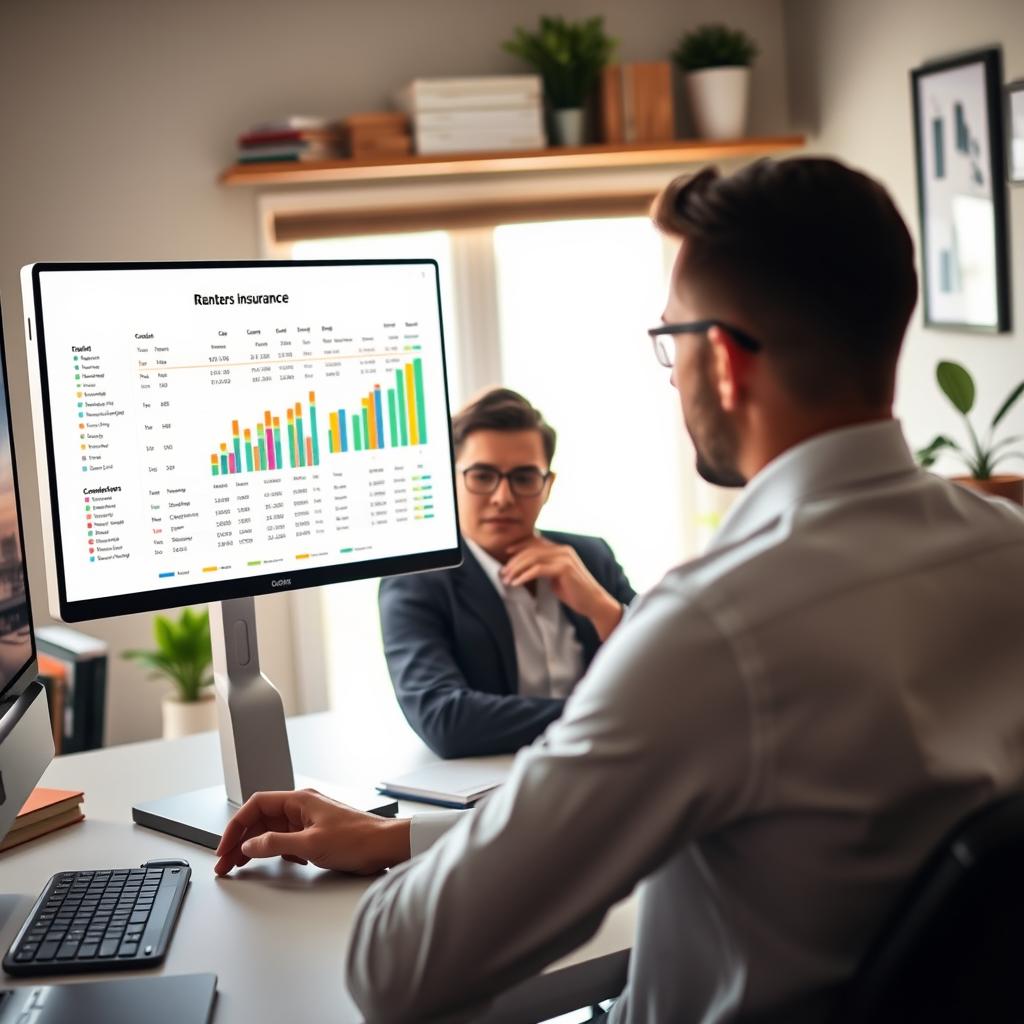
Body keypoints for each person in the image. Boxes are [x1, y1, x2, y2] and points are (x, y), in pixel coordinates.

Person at [214, 158, 1024, 1023]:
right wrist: (399, 838)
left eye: (668, 338)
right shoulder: (1006, 551)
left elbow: (395, 970)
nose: (668, 371)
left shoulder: (714, 628)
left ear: (722, 360)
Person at [378, 387, 635, 757]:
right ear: (449, 480)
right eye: (482, 476)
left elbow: (675, 672)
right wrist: (607, 716)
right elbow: (444, 719)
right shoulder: (415, 579)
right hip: (497, 788)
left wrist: (602, 608)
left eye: (524, 478)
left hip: (610, 769)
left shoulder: (591, 557)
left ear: (547, 486)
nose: (503, 497)